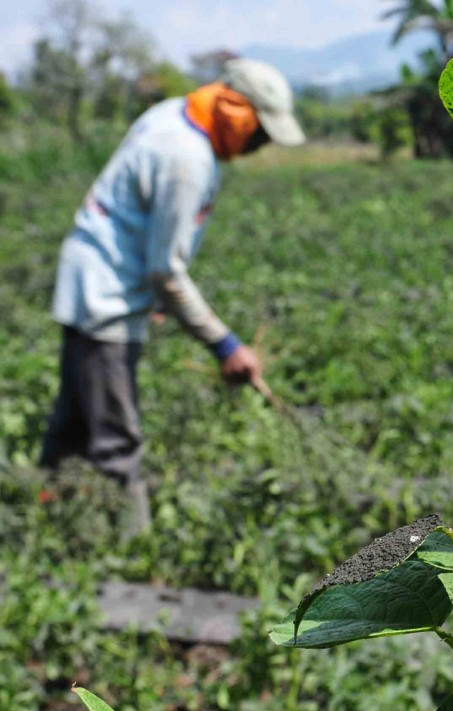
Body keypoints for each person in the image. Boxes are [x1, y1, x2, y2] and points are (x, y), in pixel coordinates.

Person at [39, 58, 305, 535]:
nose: (256, 147)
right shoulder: (187, 160)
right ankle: (128, 552)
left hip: (96, 275)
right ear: (237, 113)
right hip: (108, 296)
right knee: (117, 439)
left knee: (75, 417)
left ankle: (41, 516)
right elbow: (167, 270)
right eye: (260, 134)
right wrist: (225, 345)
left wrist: (158, 297)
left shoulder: (173, 113)